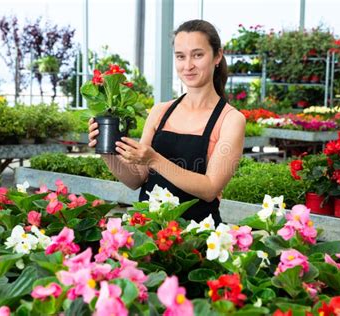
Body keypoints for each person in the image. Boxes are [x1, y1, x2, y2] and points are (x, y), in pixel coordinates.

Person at [88, 19, 245, 225]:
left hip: (196, 237)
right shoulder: (160, 111)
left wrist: (154, 159)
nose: (187, 65)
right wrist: (106, 151)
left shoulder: (230, 119)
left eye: (198, 55)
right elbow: (136, 179)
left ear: (217, 56)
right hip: (149, 230)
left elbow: (209, 189)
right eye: (180, 56)